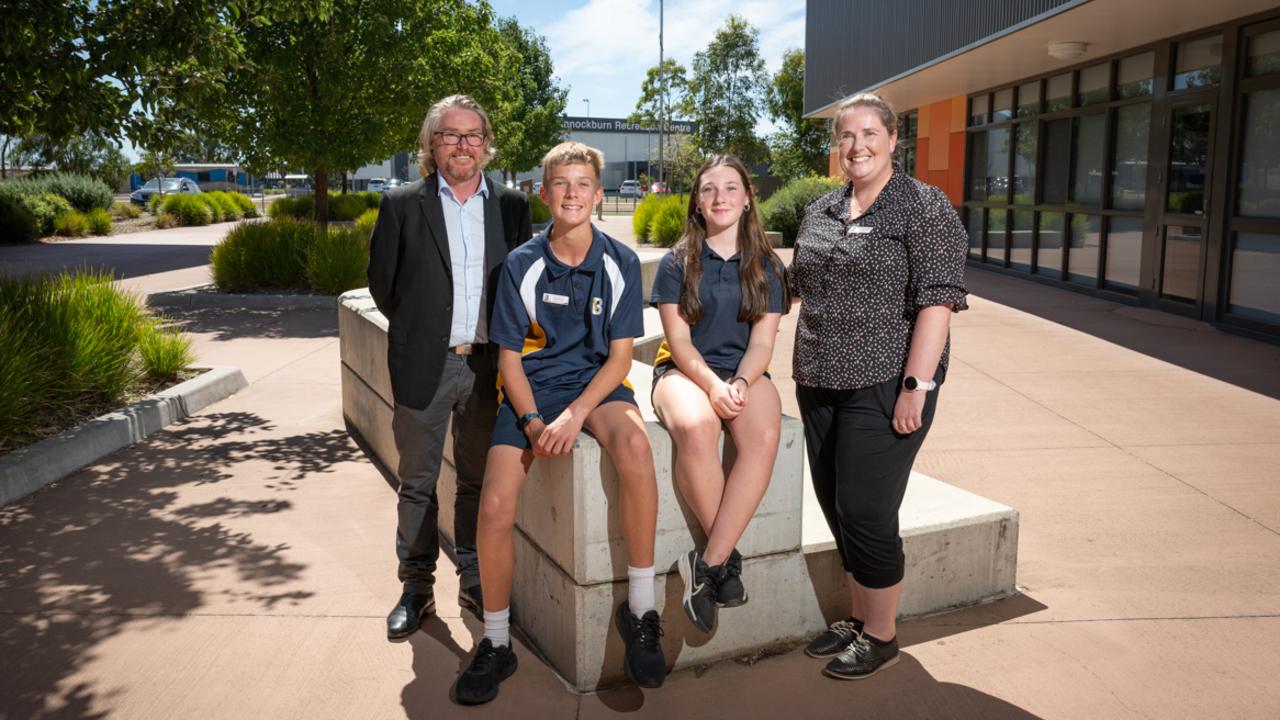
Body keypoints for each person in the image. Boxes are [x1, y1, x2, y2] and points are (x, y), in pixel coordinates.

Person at [453, 142, 665, 705]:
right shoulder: (521, 264)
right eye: (561, 184)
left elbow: (620, 360)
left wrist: (575, 416)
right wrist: (529, 421)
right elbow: (508, 361)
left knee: (638, 452)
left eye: (583, 184)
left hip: (597, 389)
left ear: (600, 194)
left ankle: (642, 610)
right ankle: (497, 643)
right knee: (495, 503)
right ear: (543, 193)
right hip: (532, 391)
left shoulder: (619, 262)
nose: (572, 194)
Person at [790, 92, 968, 680]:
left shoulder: (924, 206)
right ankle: (858, 619)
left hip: (888, 378)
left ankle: (883, 634)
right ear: (836, 145)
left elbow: (937, 301)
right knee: (834, 500)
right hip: (818, 376)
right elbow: (792, 284)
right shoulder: (820, 210)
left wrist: (916, 386)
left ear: (894, 140)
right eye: (846, 136)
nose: (857, 145)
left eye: (870, 134)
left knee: (866, 507)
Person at [367, 95, 532, 640]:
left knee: (476, 482)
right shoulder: (400, 205)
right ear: (431, 144)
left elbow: (520, 285)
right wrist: (428, 334)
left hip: (488, 367)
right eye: (450, 135)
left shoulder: (511, 207)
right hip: (425, 364)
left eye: (473, 136)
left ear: (486, 146)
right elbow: (384, 288)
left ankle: (474, 576)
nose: (463, 146)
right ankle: (416, 590)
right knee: (416, 482)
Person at [648, 156, 790, 634]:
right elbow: (681, 342)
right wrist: (712, 386)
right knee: (696, 426)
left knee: (765, 436)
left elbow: (763, 344)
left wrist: (743, 383)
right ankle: (726, 563)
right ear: (697, 202)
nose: (721, 197)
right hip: (685, 372)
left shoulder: (767, 264)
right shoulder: (677, 262)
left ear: (748, 198)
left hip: (745, 372)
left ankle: (706, 564)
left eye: (732, 188)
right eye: (709, 189)